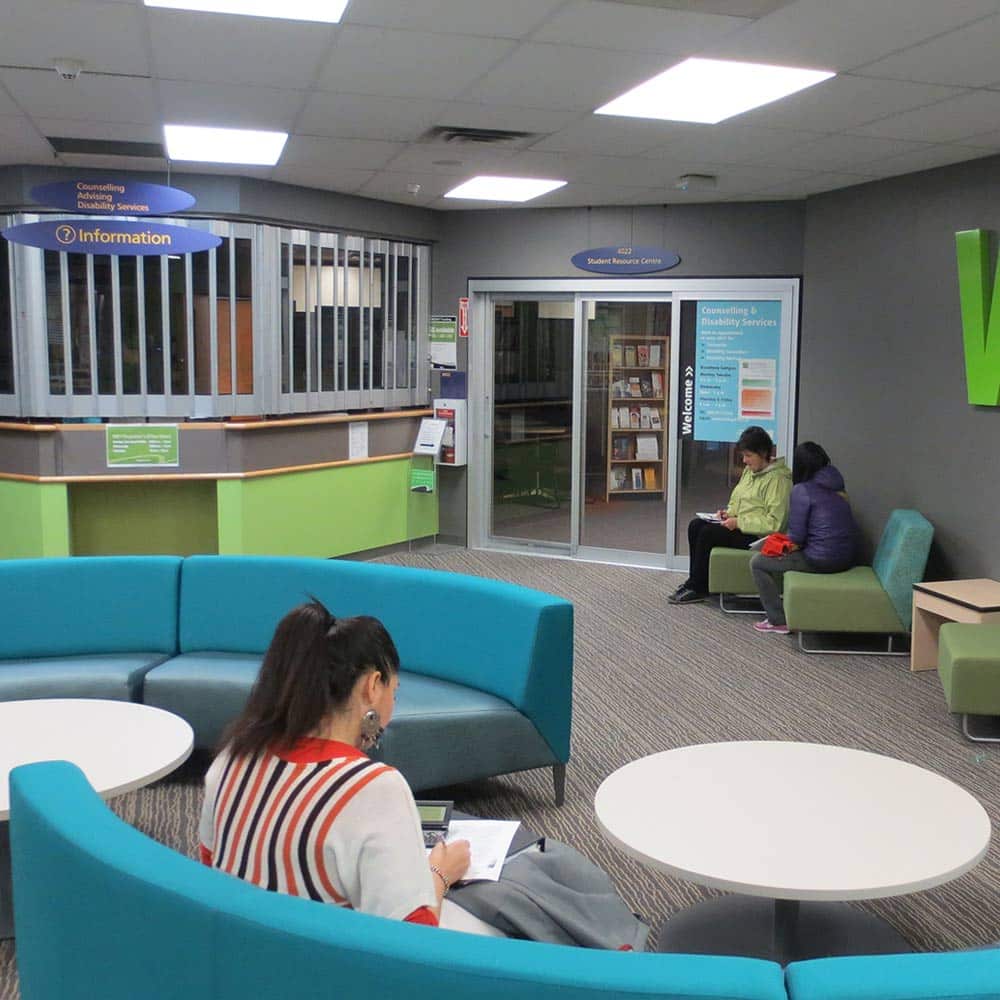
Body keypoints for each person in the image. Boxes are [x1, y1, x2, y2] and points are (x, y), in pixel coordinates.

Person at [198, 601, 475, 930]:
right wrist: (439, 875)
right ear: (372, 686)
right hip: (323, 975)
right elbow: (412, 937)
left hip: (240, 961)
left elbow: (211, 867)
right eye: (394, 692)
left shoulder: (232, 758)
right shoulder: (374, 789)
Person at [669, 426, 792, 605]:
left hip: (760, 537)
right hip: (742, 526)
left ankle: (698, 587)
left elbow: (775, 523)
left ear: (763, 453)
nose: (744, 461)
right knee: (696, 526)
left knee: (708, 534)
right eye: (743, 455)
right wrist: (728, 514)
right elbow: (738, 500)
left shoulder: (778, 480)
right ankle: (696, 582)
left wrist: (739, 522)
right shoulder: (751, 472)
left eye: (749, 456)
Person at [749, 441, 858, 634]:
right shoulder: (838, 487)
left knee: (758, 562)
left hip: (820, 560)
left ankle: (777, 620)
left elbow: (797, 538)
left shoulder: (802, 490)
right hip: (846, 558)